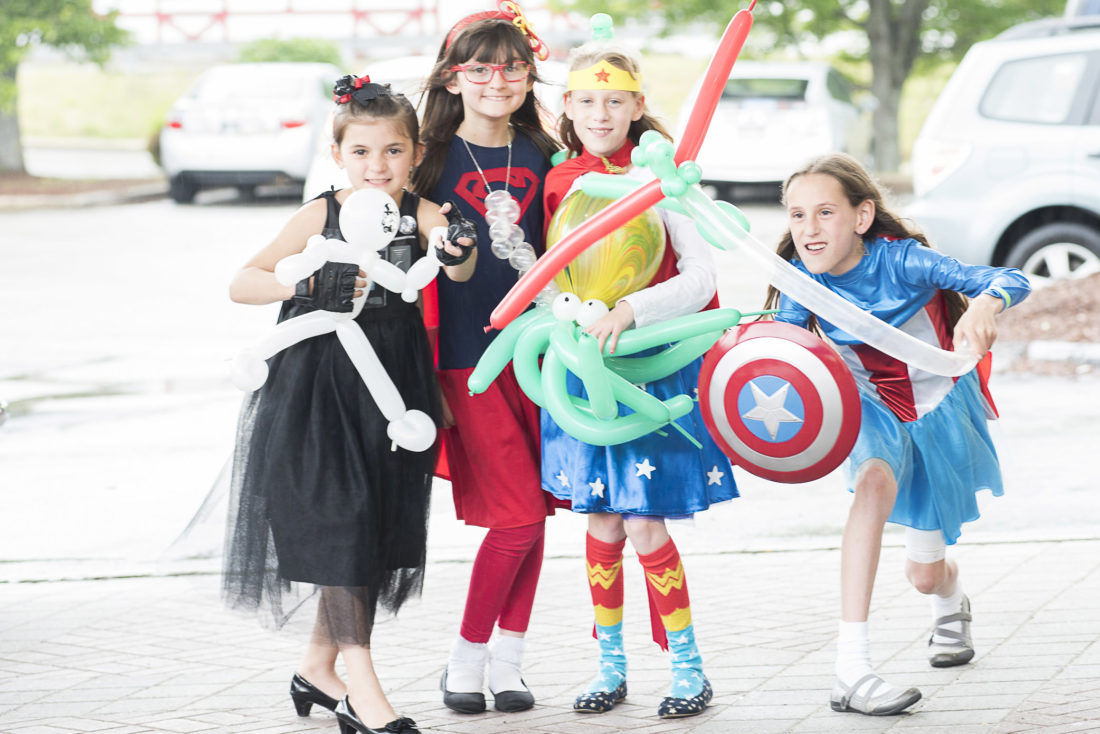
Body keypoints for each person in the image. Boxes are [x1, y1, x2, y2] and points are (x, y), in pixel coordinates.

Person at [223, 74, 477, 734]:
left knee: (368, 531)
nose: (377, 166)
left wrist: (459, 248)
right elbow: (243, 282)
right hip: (317, 388)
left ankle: (317, 669)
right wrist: (302, 279)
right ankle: (363, 691)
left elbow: (458, 267)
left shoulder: (423, 214)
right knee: (342, 522)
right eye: (361, 152)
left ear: (416, 153)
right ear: (338, 154)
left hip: (392, 393)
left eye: (393, 151)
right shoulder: (321, 216)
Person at [764, 152, 1031, 716]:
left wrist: (985, 304)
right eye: (797, 215)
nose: (809, 229)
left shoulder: (904, 260)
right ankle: (851, 671)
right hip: (870, 408)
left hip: (937, 409)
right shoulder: (800, 282)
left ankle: (950, 602)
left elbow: (1011, 278)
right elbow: (782, 355)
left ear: (862, 217)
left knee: (924, 575)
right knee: (872, 486)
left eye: (825, 212)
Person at [540, 36, 737, 719]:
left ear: (637, 106)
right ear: (567, 107)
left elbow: (702, 277)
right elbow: (547, 275)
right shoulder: (559, 181)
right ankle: (610, 667)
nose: (601, 114)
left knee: (646, 525)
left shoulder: (665, 176)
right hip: (582, 374)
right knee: (599, 522)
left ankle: (688, 669)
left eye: (615, 101)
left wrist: (631, 310)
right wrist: (566, 313)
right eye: (588, 101)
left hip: (651, 373)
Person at [409, 3, 561, 715]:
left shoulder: (546, 154)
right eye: (481, 68)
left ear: (530, 76)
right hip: (466, 363)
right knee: (519, 515)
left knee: (535, 514)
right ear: (452, 78)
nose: (498, 81)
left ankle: (508, 664)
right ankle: (465, 658)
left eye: (513, 67)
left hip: (544, 355)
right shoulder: (424, 162)